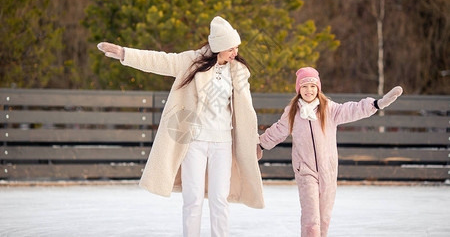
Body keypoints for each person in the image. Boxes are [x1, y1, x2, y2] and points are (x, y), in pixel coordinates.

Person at [97, 16, 264, 237]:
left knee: (219, 199)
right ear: (218, 47)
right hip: (193, 142)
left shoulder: (238, 71)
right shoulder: (191, 62)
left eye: (236, 47)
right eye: (231, 48)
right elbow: (159, 61)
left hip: (223, 143)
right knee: (192, 199)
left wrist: (254, 141)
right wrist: (125, 53)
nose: (235, 52)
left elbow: (246, 111)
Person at [258, 67, 403, 237]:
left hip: (328, 171)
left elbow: (352, 109)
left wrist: (376, 104)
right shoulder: (292, 112)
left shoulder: (329, 109)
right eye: (304, 87)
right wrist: (259, 145)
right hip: (305, 171)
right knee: (311, 219)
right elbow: (278, 131)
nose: (309, 90)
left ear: (318, 87)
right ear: (298, 89)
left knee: (324, 219)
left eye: (312, 86)